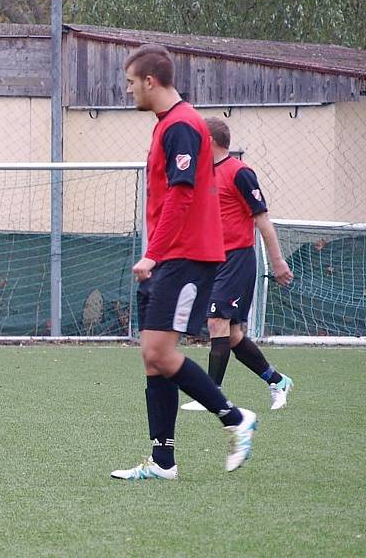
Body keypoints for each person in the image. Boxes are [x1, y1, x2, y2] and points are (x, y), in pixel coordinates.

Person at [111, 44, 257, 481]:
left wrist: (154, 251)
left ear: (150, 81)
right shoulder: (168, 125)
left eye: (131, 83)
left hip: (185, 256)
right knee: (154, 359)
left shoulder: (181, 125)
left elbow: (182, 193)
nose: (129, 91)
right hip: (174, 255)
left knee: (158, 352)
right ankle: (163, 461)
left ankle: (235, 418)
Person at [181, 117, 294, 412]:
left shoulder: (240, 173)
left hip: (237, 259)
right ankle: (277, 380)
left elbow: (262, 220)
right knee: (231, 335)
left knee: (216, 321)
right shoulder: (202, 175)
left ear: (209, 142)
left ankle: (211, 395)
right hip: (212, 260)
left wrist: (278, 261)